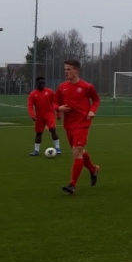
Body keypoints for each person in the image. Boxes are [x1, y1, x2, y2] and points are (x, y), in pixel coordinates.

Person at [53, 59, 100, 195]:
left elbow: (96, 100)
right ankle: (93, 169)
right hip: (68, 124)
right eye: (65, 69)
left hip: (83, 123)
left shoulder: (87, 87)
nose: (66, 72)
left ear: (76, 71)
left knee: (76, 151)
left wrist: (92, 111)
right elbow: (55, 103)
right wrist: (59, 108)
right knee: (80, 151)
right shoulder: (62, 87)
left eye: (69, 69)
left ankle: (72, 185)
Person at [27, 76, 61, 156]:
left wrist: (58, 113)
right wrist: (32, 115)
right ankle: (36, 151)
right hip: (39, 117)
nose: (42, 84)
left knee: (53, 129)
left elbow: (56, 102)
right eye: (40, 83)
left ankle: (58, 148)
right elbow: (30, 106)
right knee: (38, 133)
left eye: (43, 83)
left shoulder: (49, 91)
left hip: (50, 115)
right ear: (37, 84)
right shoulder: (33, 94)